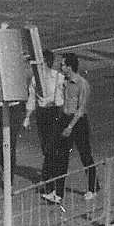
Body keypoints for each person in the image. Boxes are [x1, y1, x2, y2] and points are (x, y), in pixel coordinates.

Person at [43, 52, 99, 204]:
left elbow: (81, 109)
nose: (60, 66)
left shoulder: (82, 84)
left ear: (69, 66)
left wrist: (70, 126)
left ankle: (93, 187)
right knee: (62, 156)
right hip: (66, 119)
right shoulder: (65, 82)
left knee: (85, 155)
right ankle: (58, 193)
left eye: (63, 64)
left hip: (78, 122)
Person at [23, 49, 64, 195]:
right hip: (42, 115)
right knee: (46, 148)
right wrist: (27, 117)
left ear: (47, 63)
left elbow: (64, 97)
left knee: (50, 148)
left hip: (55, 112)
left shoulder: (58, 78)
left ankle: (48, 181)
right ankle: (49, 178)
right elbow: (32, 99)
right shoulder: (35, 80)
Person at [0, 62, 27, 186]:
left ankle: (9, 175)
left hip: (13, 109)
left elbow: (23, 92)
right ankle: (7, 167)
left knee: (9, 144)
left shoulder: (14, 72)